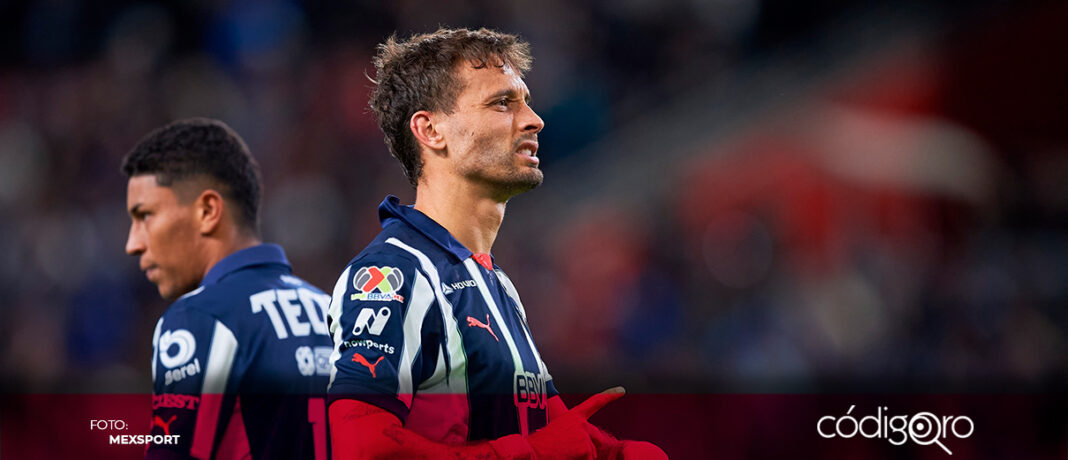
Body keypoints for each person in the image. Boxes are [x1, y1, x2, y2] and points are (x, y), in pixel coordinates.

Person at [327, 28, 666, 459]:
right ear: (431, 130)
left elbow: (556, 428)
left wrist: (614, 452)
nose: (534, 119)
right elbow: (360, 448)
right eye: (502, 103)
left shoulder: (493, 283)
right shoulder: (393, 275)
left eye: (524, 100)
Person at [123, 118, 332, 459]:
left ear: (207, 211)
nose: (133, 243)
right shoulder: (334, 312)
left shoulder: (199, 317)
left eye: (145, 215)